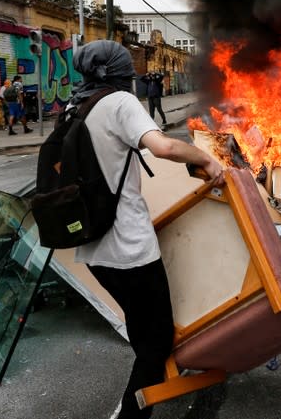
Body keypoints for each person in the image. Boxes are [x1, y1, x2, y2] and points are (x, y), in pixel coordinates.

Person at [70, 40, 223, 419]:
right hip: (130, 250)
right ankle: (132, 412)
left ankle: (148, 388)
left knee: (144, 335)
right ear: (119, 72)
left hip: (94, 250)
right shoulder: (120, 103)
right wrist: (207, 158)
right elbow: (164, 148)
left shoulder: (76, 107)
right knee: (156, 342)